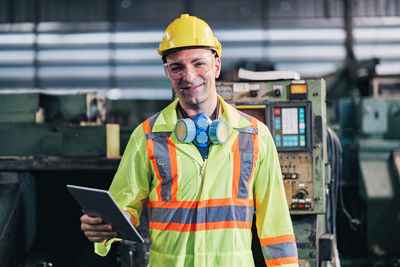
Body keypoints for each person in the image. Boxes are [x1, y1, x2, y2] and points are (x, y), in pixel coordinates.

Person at [81, 14, 298, 267]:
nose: (189, 76)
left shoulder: (254, 136)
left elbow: (276, 227)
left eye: (199, 64)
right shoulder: (148, 136)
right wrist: (102, 230)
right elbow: (120, 209)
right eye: (177, 67)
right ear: (167, 72)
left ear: (216, 66)